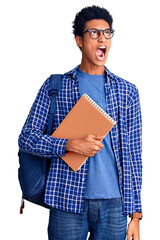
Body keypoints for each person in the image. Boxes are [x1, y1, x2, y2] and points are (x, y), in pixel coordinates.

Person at [18, 5, 143, 240]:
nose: (102, 38)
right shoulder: (56, 86)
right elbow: (27, 139)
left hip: (115, 205)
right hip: (66, 199)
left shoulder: (127, 92)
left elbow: (134, 156)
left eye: (107, 33)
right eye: (94, 33)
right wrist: (69, 144)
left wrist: (135, 214)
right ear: (79, 40)